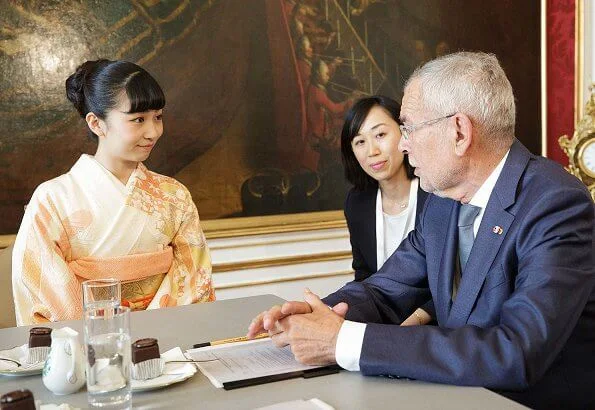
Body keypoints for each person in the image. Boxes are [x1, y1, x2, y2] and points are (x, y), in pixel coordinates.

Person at [248, 52, 595, 409]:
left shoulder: (555, 203)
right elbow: (384, 291)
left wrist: (345, 342)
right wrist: (316, 317)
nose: (402, 143)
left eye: (409, 127)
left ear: (459, 132)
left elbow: (516, 351)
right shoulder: (442, 202)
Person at [12, 59, 215, 326]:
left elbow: (193, 276)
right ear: (96, 123)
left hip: (166, 342)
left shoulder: (174, 195)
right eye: (138, 119)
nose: (153, 131)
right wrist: (103, 338)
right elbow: (41, 288)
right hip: (86, 347)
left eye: (158, 117)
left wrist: (150, 333)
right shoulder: (52, 199)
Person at [341, 95, 431, 325]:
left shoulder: (436, 191)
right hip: (381, 327)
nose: (372, 151)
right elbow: (363, 276)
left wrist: (418, 319)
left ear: (404, 133)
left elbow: (455, 280)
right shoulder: (358, 202)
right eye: (360, 142)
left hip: (434, 326)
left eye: (380, 135)